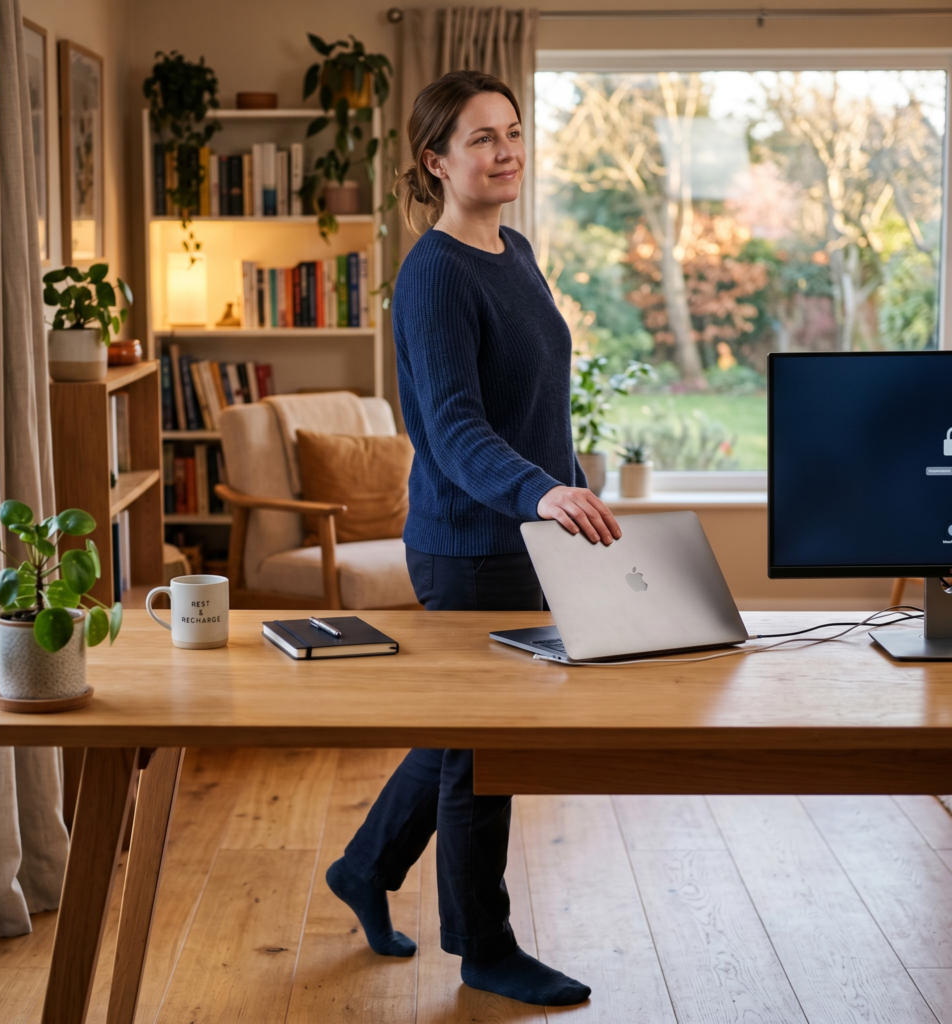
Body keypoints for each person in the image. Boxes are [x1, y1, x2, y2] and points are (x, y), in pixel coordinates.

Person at [325, 69, 621, 1008]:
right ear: (435, 161)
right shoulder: (434, 275)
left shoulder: (515, 249)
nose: (506, 151)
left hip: (528, 529)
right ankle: (484, 949)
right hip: (467, 544)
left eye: (513, 132)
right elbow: (451, 431)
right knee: (487, 744)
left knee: (466, 732)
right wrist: (541, 494)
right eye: (482, 138)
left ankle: (365, 868)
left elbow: (534, 406)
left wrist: (567, 492)